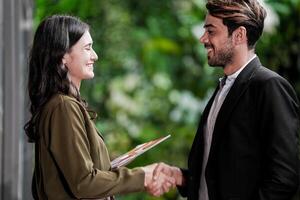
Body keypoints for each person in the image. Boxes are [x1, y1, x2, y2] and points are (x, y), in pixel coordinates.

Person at [154, 0, 300, 199]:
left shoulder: (269, 86)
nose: (202, 38)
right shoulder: (224, 87)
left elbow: (284, 178)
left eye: (211, 31)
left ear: (239, 35)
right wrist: (181, 177)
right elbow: (224, 175)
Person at [24, 15, 174, 200]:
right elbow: (83, 183)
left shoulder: (63, 105)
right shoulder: (63, 107)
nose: (95, 55)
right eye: (87, 48)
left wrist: (109, 169)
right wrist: (142, 176)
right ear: (63, 56)